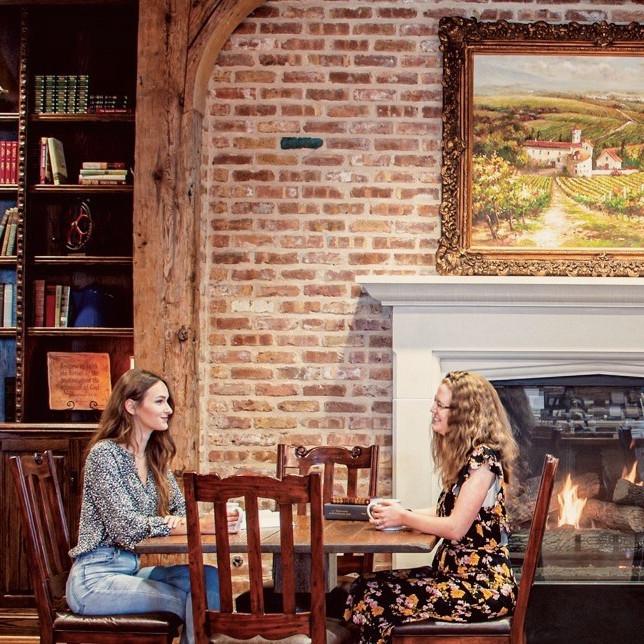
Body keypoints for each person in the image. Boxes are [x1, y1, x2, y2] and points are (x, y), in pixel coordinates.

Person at [343, 370, 519, 644]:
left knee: (374, 598)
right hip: (455, 577)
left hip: (481, 587)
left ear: (464, 414)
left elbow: (455, 527)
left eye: (440, 405)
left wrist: (403, 516)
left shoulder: (483, 461)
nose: (432, 409)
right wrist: (402, 513)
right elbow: (447, 512)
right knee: (362, 585)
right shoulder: (470, 457)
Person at [66, 368, 237, 644]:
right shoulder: (104, 456)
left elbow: (181, 512)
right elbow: (126, 528)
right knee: (193, 599)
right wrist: (185, 524)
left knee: (208, 578)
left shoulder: (154, 457)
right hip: (95, 579)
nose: (168, 409)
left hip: (130, 571)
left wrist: (209, 519)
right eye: (159, 401)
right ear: (131, 406)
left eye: (168, 401)